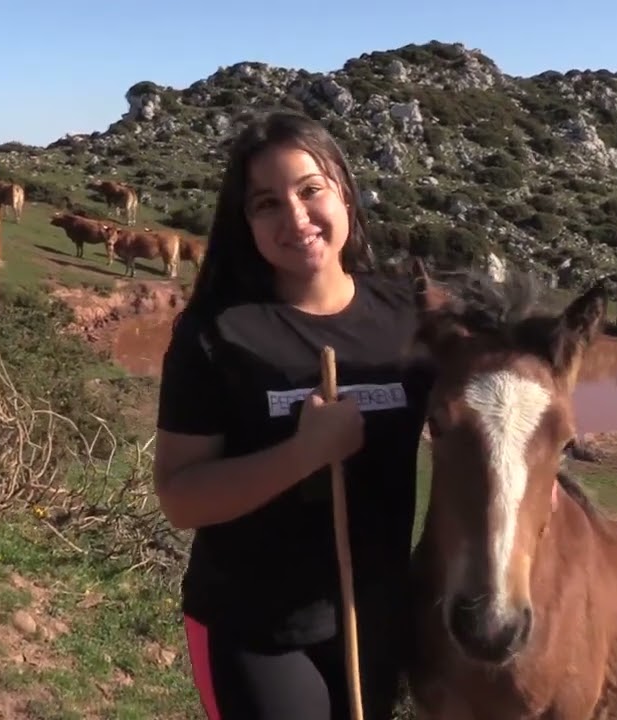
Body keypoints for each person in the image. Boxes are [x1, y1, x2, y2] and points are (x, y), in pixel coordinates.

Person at [152, 110, 435, 720]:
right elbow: (180, 497)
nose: (296, 218)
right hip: (253, 628)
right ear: (245, 222)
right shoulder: (219, 334)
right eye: (267, 204)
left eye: (311, 190)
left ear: (345, 193)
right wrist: (302, 454)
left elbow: (485, 413)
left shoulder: (409, 317)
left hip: (375, 622)